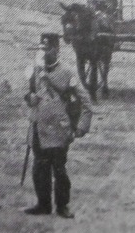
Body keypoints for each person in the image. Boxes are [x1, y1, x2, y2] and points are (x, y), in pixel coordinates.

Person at [23, 32, 91, 219]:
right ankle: (43, 204)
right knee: (39, 168)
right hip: (39, 127)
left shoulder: (67, 73)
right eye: (42, 49)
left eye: (48, 49)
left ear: (57, 49)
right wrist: (31, 98)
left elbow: (86, 102)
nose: (44, 53)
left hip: (59, 130)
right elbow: (29, 95)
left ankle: (62, 206)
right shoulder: (36, 71)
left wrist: (81, 127)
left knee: (59, 169)